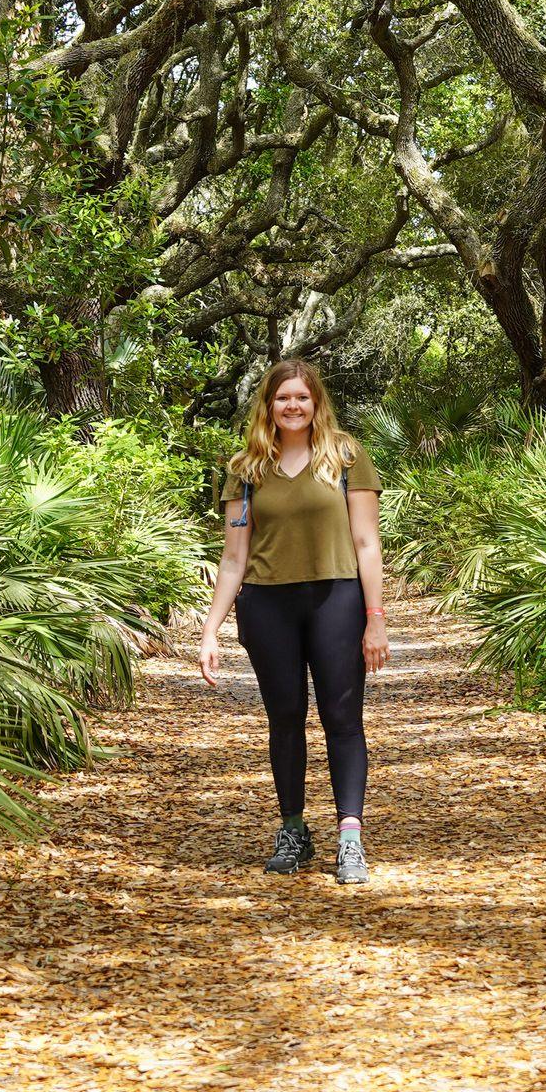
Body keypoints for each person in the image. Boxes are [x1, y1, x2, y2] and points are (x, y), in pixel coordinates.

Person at [197, 357, 389, 885]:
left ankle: (350, 836)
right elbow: (234, 558)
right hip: (267, 605)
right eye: (283, 397)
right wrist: (211, 628)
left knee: (342, 720)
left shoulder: (346, 457)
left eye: (302, 397)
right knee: (285, 720)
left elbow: (368, 544)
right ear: (269, 404)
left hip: (337, 600)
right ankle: (293, 829)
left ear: (316, 402)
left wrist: (375, 618)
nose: (293, 406)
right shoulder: (246, 468)